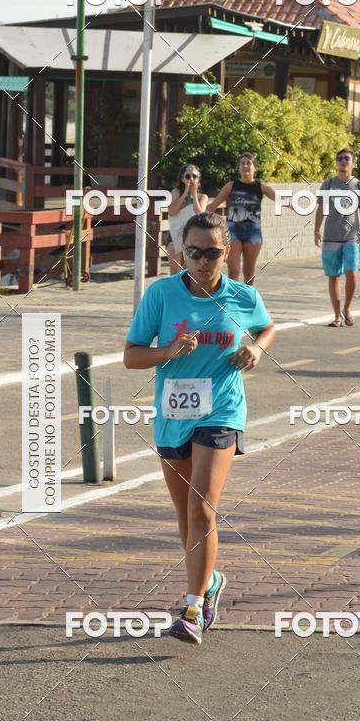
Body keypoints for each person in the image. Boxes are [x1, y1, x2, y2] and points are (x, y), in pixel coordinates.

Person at [124, 211, 275, 645]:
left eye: (212, 252)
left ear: (226, 253)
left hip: (221, 411)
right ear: (180, 252)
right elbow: (132, 356)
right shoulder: (162, 295)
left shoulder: (243, 296)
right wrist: (168, 351)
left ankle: (194, 608)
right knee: (185, 516)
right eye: (194, 252)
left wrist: (257, 350)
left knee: (203, 508)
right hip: (173, 416)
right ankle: (209, 580)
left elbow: (266, 327)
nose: (203, 260)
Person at [314, 148, 360, 327]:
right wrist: (316, 230)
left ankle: (347, 308)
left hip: (351, 237)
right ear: (336, 162)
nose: (343, 161)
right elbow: (321, 209)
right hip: (331, 237)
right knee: (334, 276)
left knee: (352, 274)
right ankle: (337, 315)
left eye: (347, 158)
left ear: (353, 163)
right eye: (340, 158)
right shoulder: (328, 184)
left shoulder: (359, 186)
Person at [207, 153, 276, 286]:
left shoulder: (260, 187)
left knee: (249, 273)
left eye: (248, 163)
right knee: (234, 270)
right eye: (242, 163)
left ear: (255, 168)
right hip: (233, 230)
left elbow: (280, 199)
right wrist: (197, 208)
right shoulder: (231, 186)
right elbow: (213, 206)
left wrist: (292, 204)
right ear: (238, 167)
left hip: (253, 231)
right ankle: (232, 299)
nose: (245, 166)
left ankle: (248, 301)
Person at [165, 164, 208, 273]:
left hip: (194, 236)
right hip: (176, 234)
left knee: (190, 272)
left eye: (194, 176)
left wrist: (194, 194)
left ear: (199, 179)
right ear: (182, 179)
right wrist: (185, 193)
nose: (191, 179)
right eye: (188, 176)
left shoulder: (203, 197)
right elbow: (171, 212)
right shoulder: (176, 192)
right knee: (175, 273)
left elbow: (200, 214)